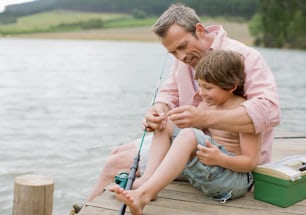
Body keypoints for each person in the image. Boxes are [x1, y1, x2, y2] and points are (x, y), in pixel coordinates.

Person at [80, 3, 280, 209]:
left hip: (225, 163)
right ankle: (86, 208)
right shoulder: (183, 60)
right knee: (117, 152)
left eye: (183, 46)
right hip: (194, 146)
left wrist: (205, 119)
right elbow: (170, 92)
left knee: (117, 163)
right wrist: (159, 110)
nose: (181, 57)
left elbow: (269, 111)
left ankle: (130, 196)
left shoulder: (245, 57)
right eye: (173, 52)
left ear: (200, 30)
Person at [110, 49, 262, 215]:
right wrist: (155, 122)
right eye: (200, 86)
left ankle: (144, 196)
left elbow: (251, 162)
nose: (201, 92)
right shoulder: (206, 106)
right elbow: (183, 138)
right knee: (165, 122)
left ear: (231, 86)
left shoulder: (243, 113)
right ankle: (146, 181)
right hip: (209, 174)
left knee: (189, 134)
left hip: (233, 180)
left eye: (208, 88)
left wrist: (221, 159)